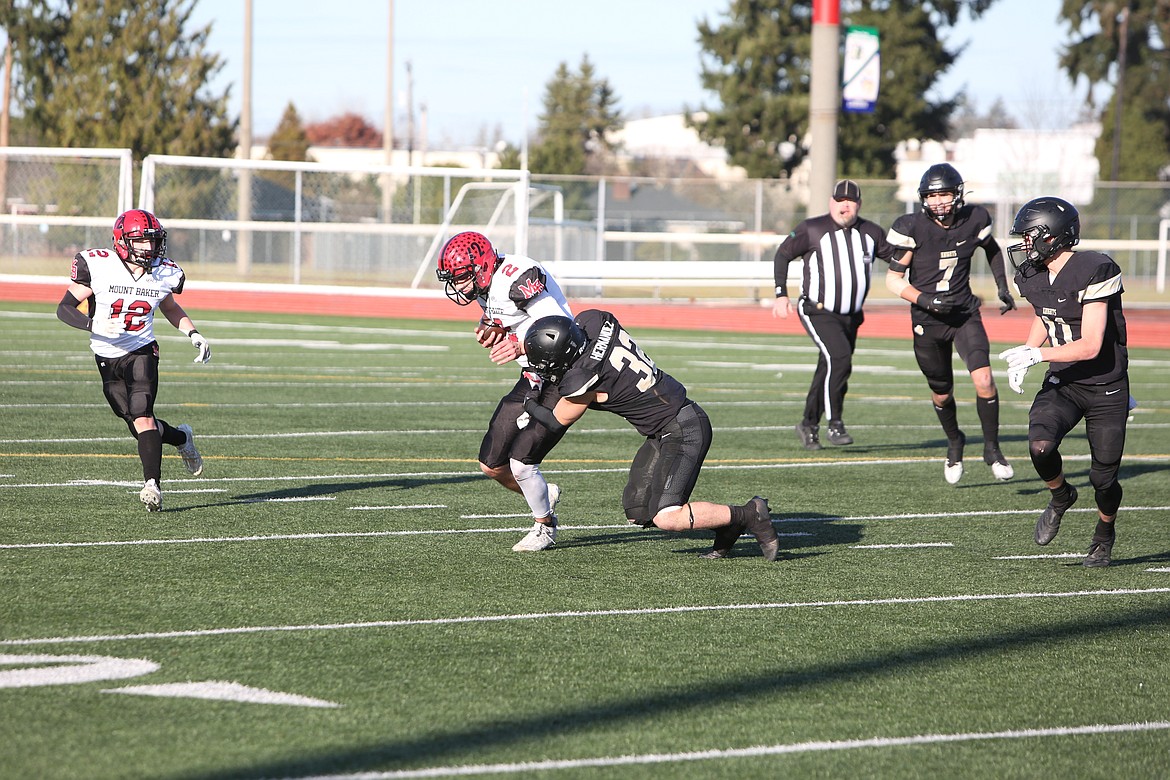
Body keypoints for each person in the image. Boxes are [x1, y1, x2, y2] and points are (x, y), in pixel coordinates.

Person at [520, 310, 780, 561]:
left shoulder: (583, 378)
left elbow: (556, 421)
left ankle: (750, 514)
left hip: (683, 427)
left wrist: (530, 399)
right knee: (638, 512)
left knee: (667, 516)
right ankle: (726, 524)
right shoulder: (594, 321)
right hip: (663, 428)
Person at [998, 197, 1129, 568]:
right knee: (1040, 445)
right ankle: (1061, 495)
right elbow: (1046, 313)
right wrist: (1027, 350)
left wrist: (1037, 356)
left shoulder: (1095, 268)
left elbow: (1089, 345)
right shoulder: (1032, 274)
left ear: (1054, 236)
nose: (1024, 244)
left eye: (1029, 236)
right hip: (1065, 381)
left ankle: (1104, 534)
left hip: (1105, 385)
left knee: (1103, 479)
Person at [55, 209, 210, 512]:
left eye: (153, 241)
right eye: (142, 242)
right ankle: (181, 437)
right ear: (123, 241)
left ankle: (152, 485)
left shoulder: (164, 271)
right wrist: (93, 325)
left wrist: (193, 333)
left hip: (142, 349)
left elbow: (170, 306)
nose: (149, 248)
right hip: (106, 353)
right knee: (135, 422)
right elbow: (64, 308)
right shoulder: (99, 265)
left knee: (142, 413)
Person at [435, 231, 573, 552]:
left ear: (481, 267)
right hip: (533, 374)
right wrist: (494, 329)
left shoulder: (517, 277)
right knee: (491, 464)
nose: (458, 286)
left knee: (521, 462)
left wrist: (518, 343)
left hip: (562, 373)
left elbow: (560, 327)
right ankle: (543, 494)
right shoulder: (486, 286)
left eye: (462, 278)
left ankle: (545, 526)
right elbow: (505, 315)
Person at [885, 163, 1016, 484]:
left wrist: (1002, 286)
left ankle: (992, 448)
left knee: (984, 380)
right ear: (923, 199)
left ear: (957, 194)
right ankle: (955, 441)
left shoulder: (975, 219)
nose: (939, 201)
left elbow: (992, 249)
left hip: (963, 314)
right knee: (941, 393)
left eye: (944, 194)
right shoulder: (911, 226)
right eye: (932, 196)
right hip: (927, 320)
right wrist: (925, 300)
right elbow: (892, 279)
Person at [773, 179, 895, 449]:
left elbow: (896, 258)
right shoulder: (812, 229)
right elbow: (782, 254)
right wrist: (781, 294)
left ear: (859, 205)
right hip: (817, 310)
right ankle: (835, 424)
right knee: (839, 359)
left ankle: (808, 424)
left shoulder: (871, 232)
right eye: (840, 200)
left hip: (851, 316)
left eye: (850, 201)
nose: (845, 206)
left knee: (828, 367)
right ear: (831, 202)